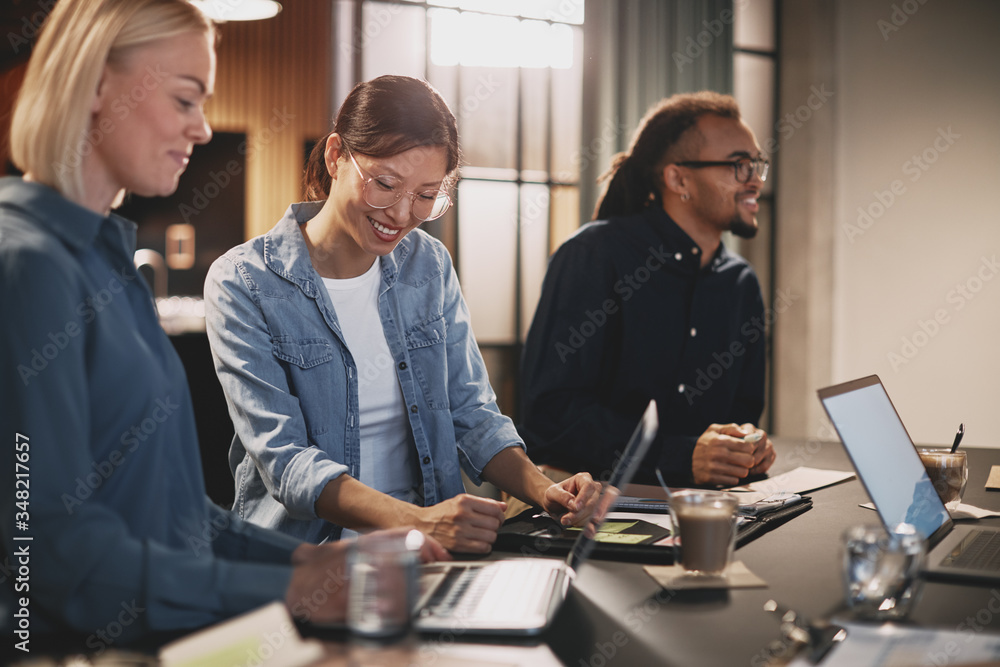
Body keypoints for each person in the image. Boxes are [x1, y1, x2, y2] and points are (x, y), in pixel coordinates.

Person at [0, 0, 447, 644]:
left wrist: (309, 563)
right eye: (186, 100)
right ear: (97, 85)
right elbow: (44, 554)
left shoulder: (111, 267)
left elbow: (176, 520)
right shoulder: (28, 266)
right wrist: (293, 591)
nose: (204, 129)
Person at [203, 75, 601, 553]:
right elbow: (285, 461)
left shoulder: (427, 266)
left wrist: (544, 490)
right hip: (305, 561)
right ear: (335, 156)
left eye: (426, 195)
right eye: (386, 185)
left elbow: (472, 411)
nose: (400, 214)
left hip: (427, 557)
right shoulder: (244, 281)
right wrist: (418, 522)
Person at [520, 91, 778, 488]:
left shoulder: (741, 282)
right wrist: (681, 455)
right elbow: (550, 418)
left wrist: (745, 445)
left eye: (757, 163)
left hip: (702, 508)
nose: (756, 180)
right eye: (739, 165)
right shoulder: (594, 256)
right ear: (679, 179)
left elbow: (744, 411)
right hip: (582, 501)